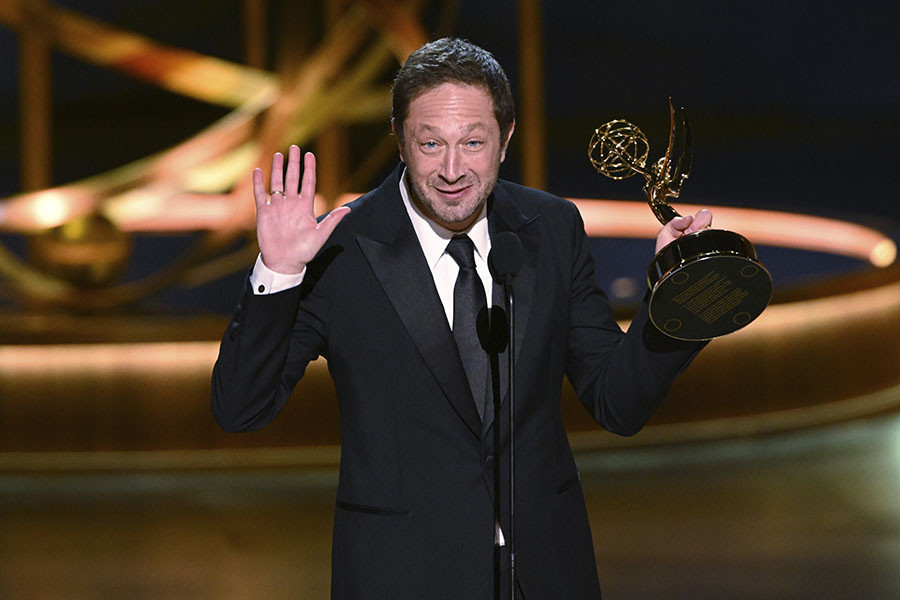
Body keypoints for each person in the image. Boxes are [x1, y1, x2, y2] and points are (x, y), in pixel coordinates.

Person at [212, 37, 711, 600]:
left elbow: (617, 402)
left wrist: (678, 297)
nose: (453, 169)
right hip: (401, 577)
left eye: (473, 142)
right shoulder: (339, 248)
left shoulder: (550, 228)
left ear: (506, 139)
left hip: (545, 575)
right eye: (431, 144)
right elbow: (241, 409)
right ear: (400, 139)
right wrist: (278, 272)